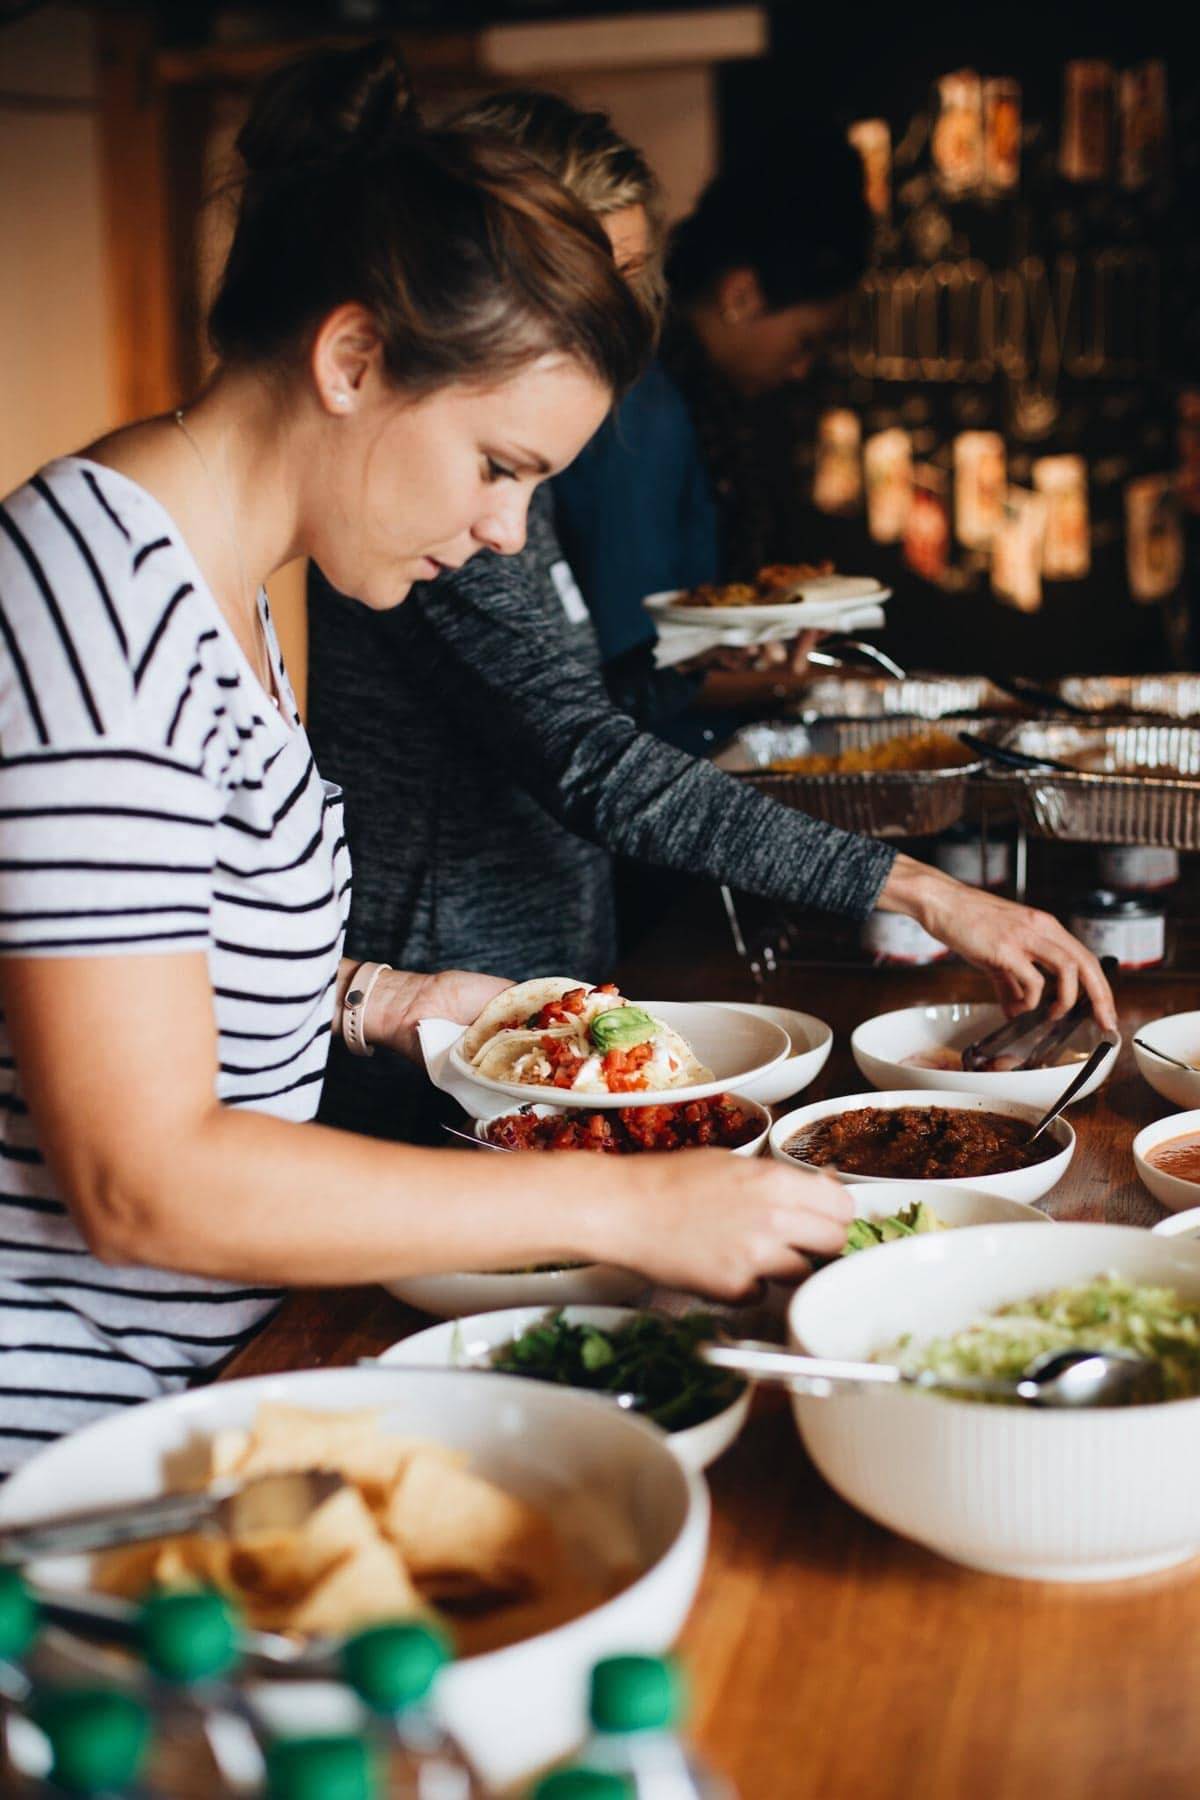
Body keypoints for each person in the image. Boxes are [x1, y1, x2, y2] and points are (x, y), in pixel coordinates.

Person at [0, 44, 857, 1474]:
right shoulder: (92, 591)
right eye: (500, 467)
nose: (507, 533)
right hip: (74, 1456)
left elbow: (139, 961)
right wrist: (629, 1212)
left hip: (221, 1378)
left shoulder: (215, 587)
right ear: (351, 359)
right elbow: (138, 1180)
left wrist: (392, 1000)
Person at [306, 88, 1115, 1149]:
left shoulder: (496, 488)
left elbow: (581, 709)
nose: (630, 314)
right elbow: (587, 757)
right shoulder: (435, 497)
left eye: (633, 277)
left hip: (510, 1004)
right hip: (435, 1048)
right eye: (604, 274)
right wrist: (918, 888)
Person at [554, 122, 872, 698]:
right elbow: (634, 668)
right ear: (741, 294)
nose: (803, 369)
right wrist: (812, 688)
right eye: (806, 341)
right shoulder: (647, 407)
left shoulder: (698, 400)